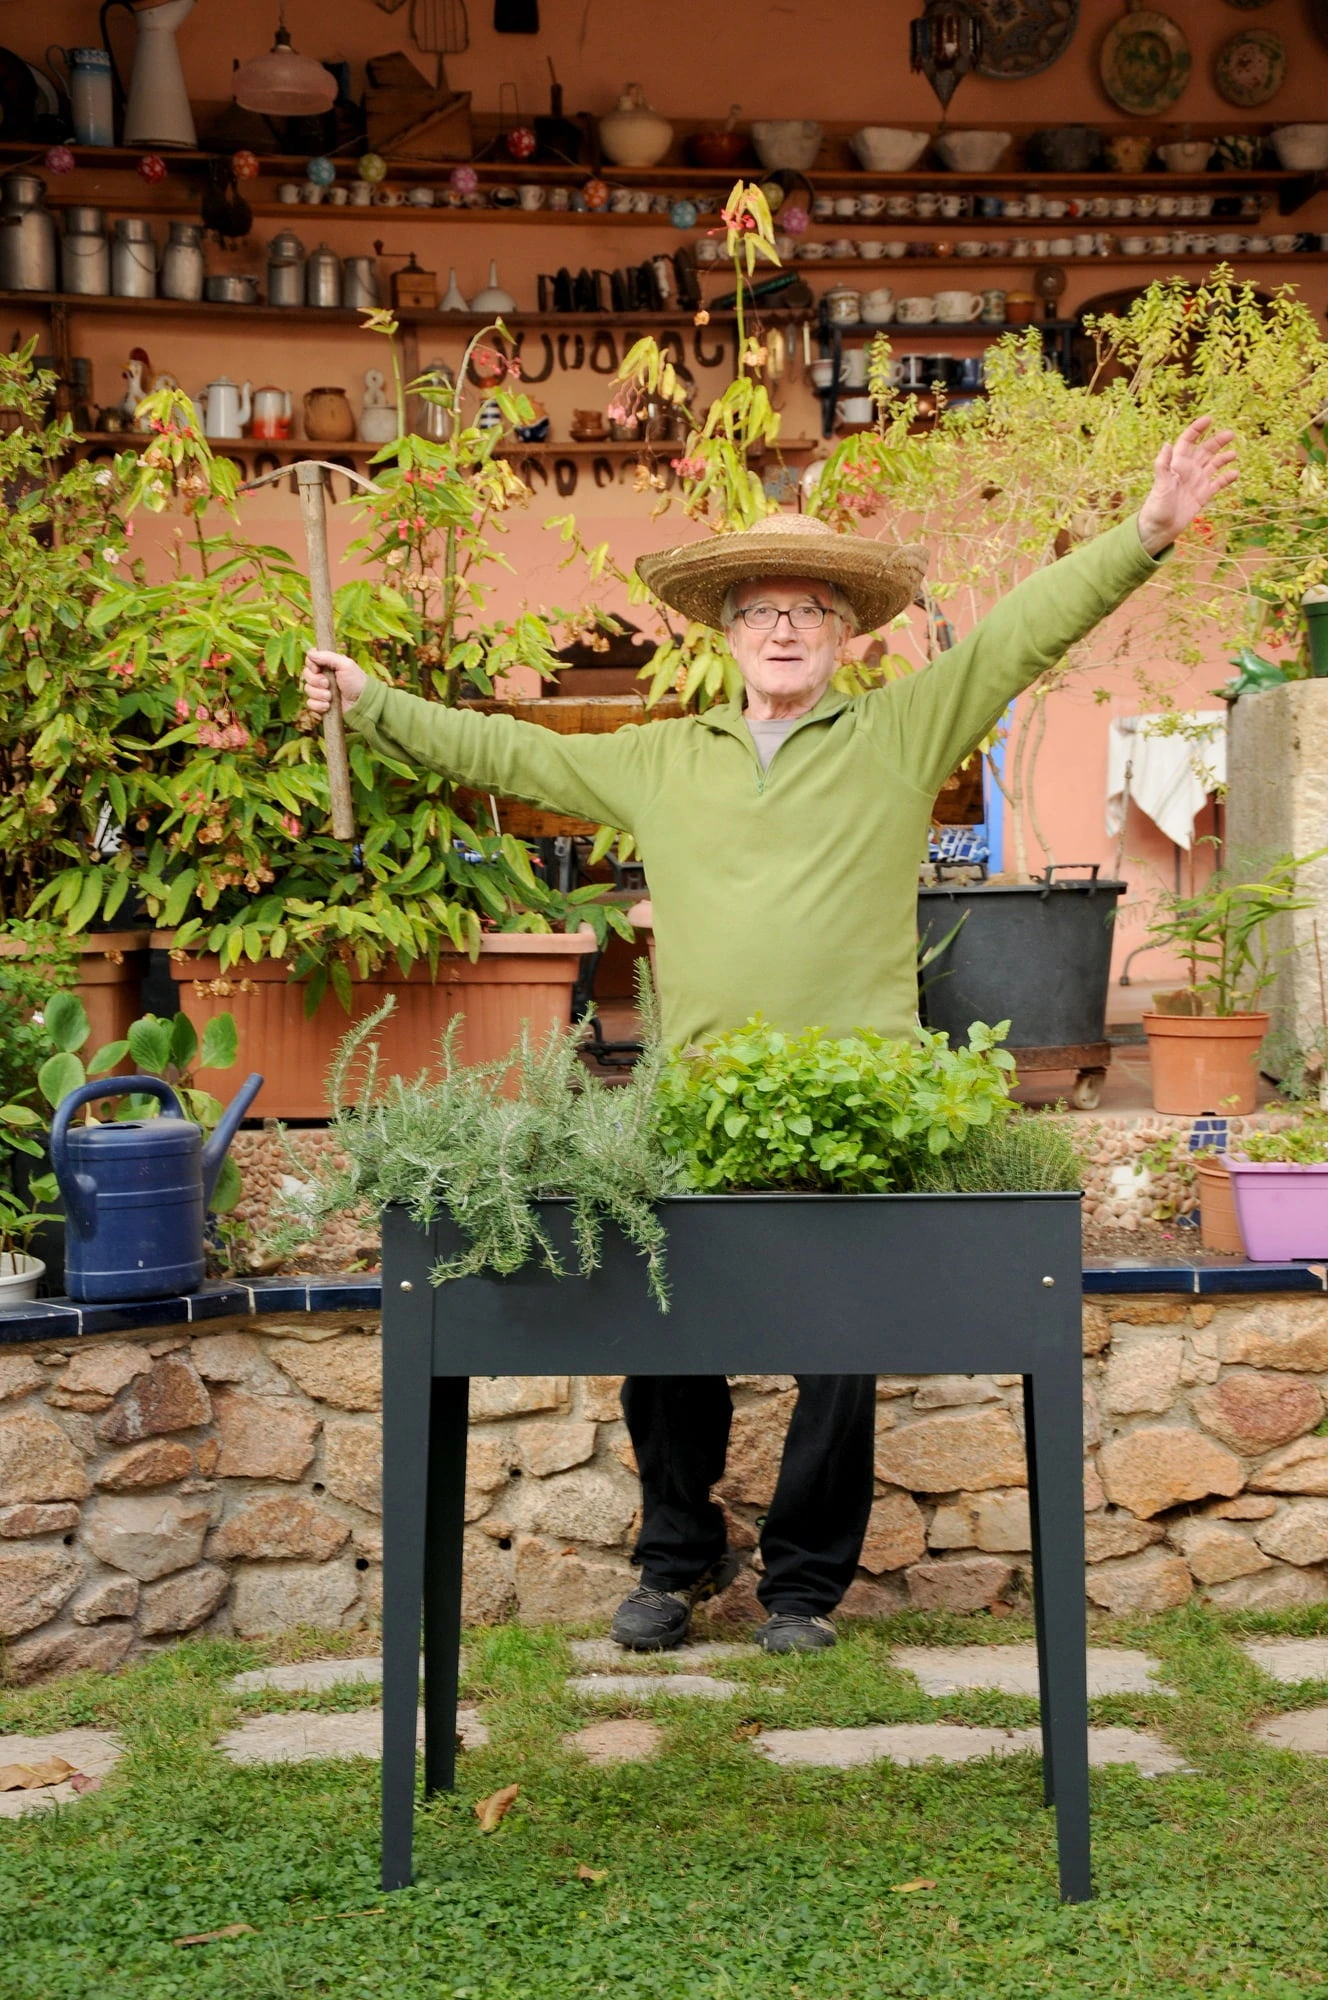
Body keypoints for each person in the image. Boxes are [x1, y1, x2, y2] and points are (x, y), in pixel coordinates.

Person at [303, 415, 1236, 1655]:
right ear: (727, 632)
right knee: (660, 1333)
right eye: (759, 610)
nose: (783, 627)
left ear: (843, 632)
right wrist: (371, 703)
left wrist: (1146, 531)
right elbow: (505, 747)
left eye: (806, 609)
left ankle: (800, 1587)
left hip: (855, 1110)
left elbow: (1018, 633)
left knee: (837, 1355)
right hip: (688, 1105)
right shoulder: (658, 759)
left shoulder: (900, 733)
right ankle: (673, 1558)